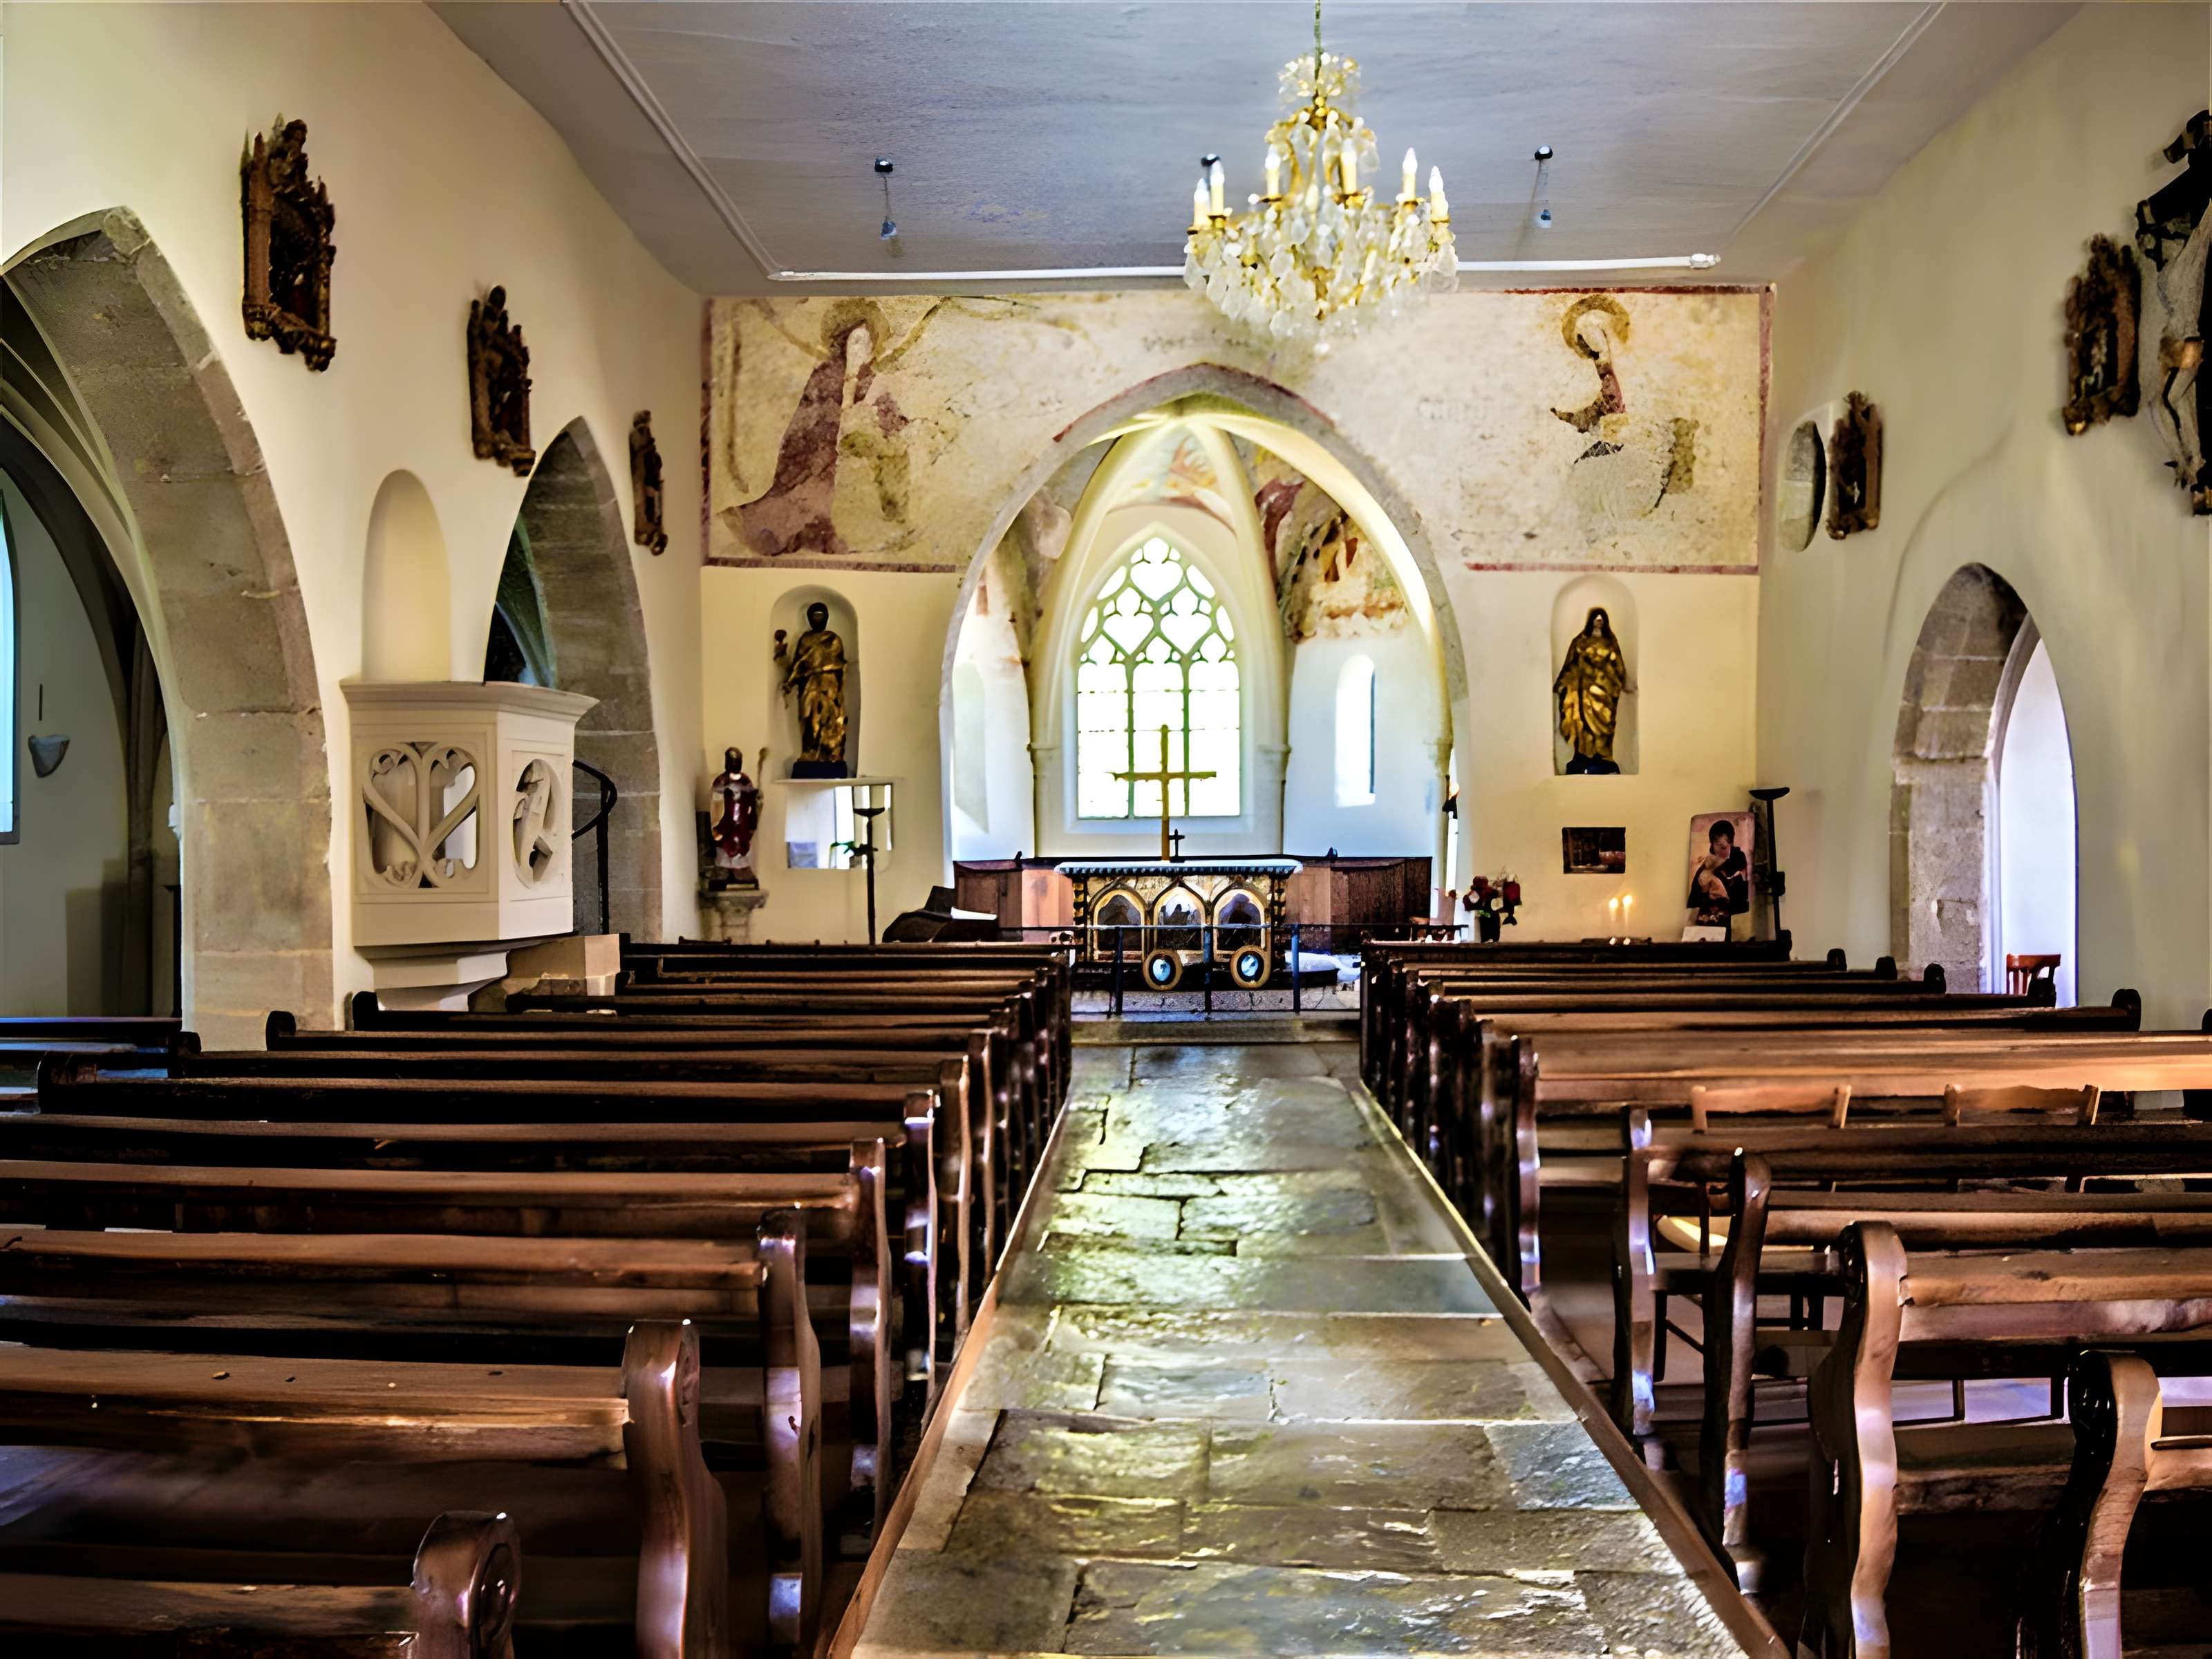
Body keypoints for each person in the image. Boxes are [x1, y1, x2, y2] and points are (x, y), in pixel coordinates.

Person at [776, 602, 848, 774]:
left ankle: (831, 753)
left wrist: (814, 669)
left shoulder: (833, 638)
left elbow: (836, 662)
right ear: (810, 619)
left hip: (829, 685)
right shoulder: (805, 639)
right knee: (808, 718)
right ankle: (809, 752)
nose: (817, 619)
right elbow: (798, 665)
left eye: (820, 616)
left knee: (829, 719)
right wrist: (791, 677)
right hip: (808, 685)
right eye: (814, 616)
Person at [1554, 607, 1628, 774]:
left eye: (1602, 620)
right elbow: (1570, 662)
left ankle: (1601, 756)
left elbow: (1619, 666)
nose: (1599, 622)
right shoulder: (1580, 641)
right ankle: (1582, 756)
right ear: (1591, 621)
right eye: (1596, 619)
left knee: (1604, 725)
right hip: (1584, 691)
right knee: (1583, 724)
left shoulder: (1611, 642)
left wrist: (1622, 680)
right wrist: (1563, 681)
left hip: (1605, 692)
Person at [1688, 818, 1752, 927]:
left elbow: (1744, 896)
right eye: (1715, 844)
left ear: (1730, 843)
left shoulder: (1739, 860)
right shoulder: (1706, 866)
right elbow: (1693, 902)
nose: (1718, 850)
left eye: (1723, 847)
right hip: (1707, 920)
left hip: (1732, 918)